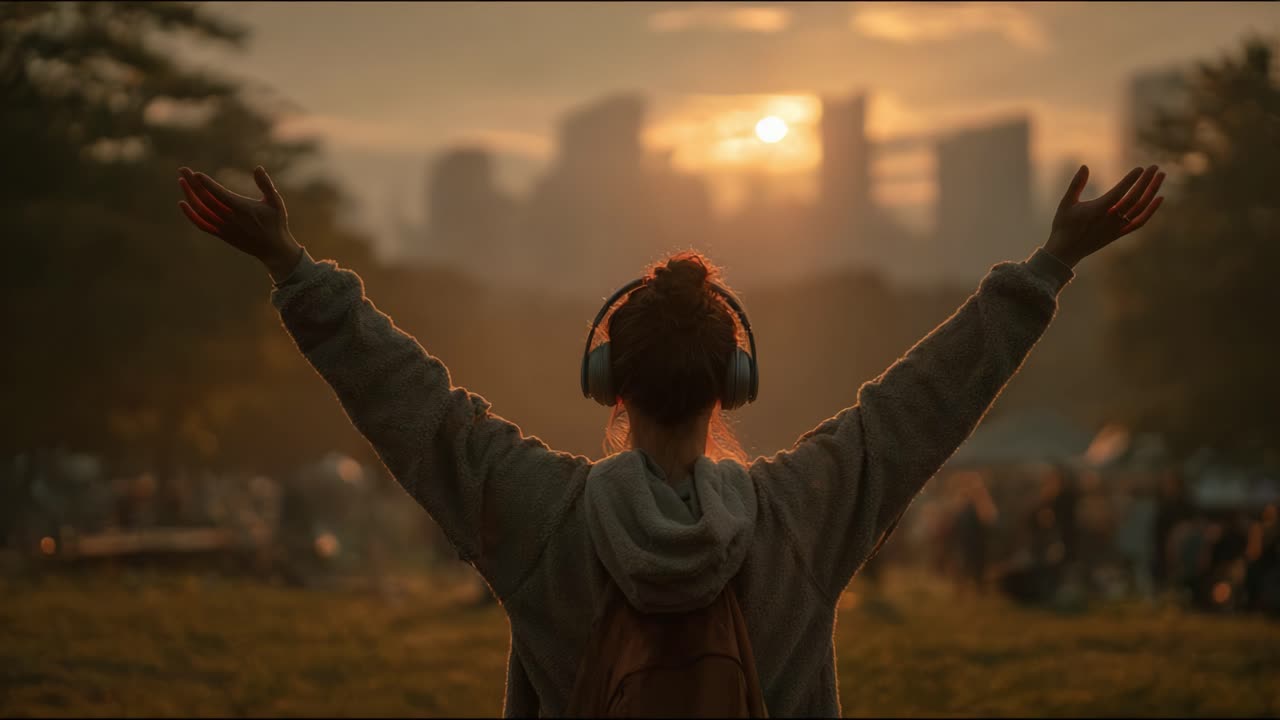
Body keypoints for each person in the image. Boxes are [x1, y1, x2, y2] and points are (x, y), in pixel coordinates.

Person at [176, 162, 1164, 716]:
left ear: (603, 382)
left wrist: (289, 264)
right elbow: (921, 402)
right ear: (735, 383)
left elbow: (409, 400)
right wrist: (1048, 263)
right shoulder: (799, 518)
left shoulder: (537, 518)